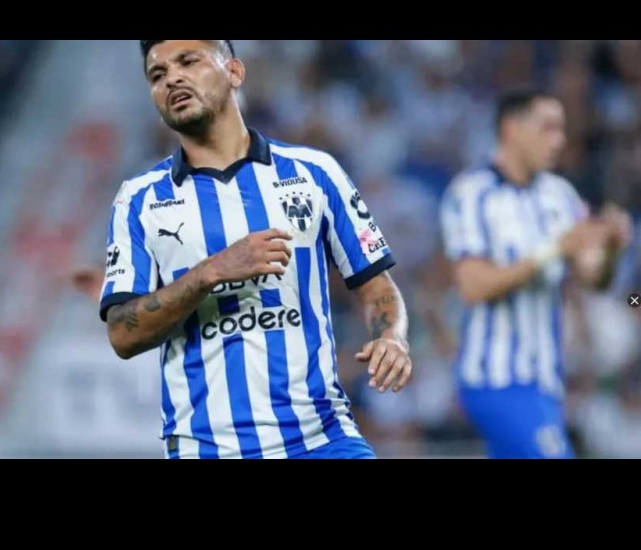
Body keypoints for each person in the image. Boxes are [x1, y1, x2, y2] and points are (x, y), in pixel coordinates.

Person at [97, 40, 412, 459]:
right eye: (158, 75)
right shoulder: (138, 201)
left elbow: (377, 285)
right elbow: (122, 333)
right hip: (210, 448)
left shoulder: (315, 174)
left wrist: (392, 337)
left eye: (188, 61)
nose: (172, 78)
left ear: (234, 72)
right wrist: (209, 273)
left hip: (322, 439)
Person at [440, 88, 634, 459]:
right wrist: (554, 249)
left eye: (561, 129)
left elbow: (596, 279)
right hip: (495, 379)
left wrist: (610, 247)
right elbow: (473, 285)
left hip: (546, 381)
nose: (558, 140)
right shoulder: (471, 194)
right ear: (511, 128)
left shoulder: (560, 195)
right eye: (547, 127)